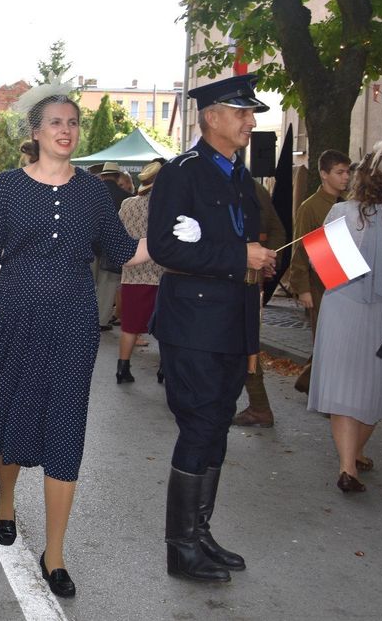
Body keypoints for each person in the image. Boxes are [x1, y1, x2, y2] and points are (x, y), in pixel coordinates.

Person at [0, 86, 151, 598]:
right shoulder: (5, 188)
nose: (66, 129)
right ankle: (5, 501)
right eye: (56, 122)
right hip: (17, 315)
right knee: (15, 416)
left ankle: (55, 554)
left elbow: (121, 251)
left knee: (66, 428)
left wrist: (174, 239)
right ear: (37, 132)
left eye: (72, 122)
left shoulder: (93, 193)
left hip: (73, 321)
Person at [146, 74, 277, 583]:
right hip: (194, 323)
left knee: (217, 427)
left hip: (232, 319)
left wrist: (255, 260)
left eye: (251, 113)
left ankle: (200, 533)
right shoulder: (184, 173)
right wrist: (236, 256)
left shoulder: (238, 176)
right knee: (199, 426)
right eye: (242, 112)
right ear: (212, 117)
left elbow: (235, 241)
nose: (250, 121)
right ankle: (181, 547)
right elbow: (165, 247)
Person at [308, 137, 382, 493]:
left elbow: (324, 264)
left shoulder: (339, 213)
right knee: (379, 385)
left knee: (345, 382)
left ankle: (348, 465)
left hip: (343, 305)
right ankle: (355, 453)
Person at [284, 149, 352, 394]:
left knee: (340, 339)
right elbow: (300, 248)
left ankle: (315, 383)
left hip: (346, 281)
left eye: (348, 172)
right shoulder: (310, 207)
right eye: (340, 172)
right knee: (326, 339)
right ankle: (324, 391)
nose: (346, 177)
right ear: (324, 175)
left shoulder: (349, 204)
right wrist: (302, 288)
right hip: (320, 282)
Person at [231, 179, 288, 427]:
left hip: (240, 282)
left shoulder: (250, 187)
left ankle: (257, 406)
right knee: (243, 344)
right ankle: (258, 406)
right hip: (228, 280)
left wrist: (268, 260)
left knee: (243, 345)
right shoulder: (252, 186)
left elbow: (276, 231)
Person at [116, 159, 165, 384]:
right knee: (166, 326)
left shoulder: (127, 204)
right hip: (161, 273)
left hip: (132, 272)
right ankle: (164, 369)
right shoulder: (167, 205)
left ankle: (123, 368)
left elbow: (117, 231)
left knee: (129, 326)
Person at [93, 161, 131, 331]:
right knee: (108, 285)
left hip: (90, 245)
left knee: (86, 282)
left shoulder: (92, 194)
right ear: (117, 177)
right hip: (112, 246)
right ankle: (101, 320)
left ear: (102, 176)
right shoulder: (125, 197)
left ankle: (82, 317)